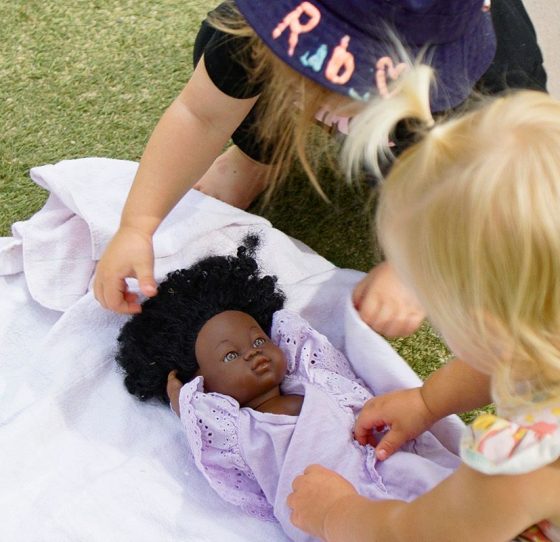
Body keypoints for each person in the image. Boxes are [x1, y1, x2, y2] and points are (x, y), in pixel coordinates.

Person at [93, 0, 546, 338]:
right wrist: (138, 224)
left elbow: (486, 192)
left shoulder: (480, 94)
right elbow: (201, 115)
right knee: (239, 68)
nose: (314, 99)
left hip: (444, 126)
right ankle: (257, 154)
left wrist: (414, 268)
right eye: (304, 73)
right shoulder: (257, 33)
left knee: (426, 170)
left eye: (335, 85)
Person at [287, 74, 560, 541]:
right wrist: (427, 401)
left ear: (486, 324)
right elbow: (509, 359)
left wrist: (334, 512)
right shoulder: (540, 335)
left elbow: (414, 534)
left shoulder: (526, 462)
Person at [115, 237, 460, 542]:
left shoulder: (309, 380)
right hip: (335, 504)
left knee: (453, 499)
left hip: (394, 468)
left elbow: (318, 358)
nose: (253, 352)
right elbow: (205, 426)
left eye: (258, 339)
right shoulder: (243, 431)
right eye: (231, 355)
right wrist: (183, 401)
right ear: (204, 384)